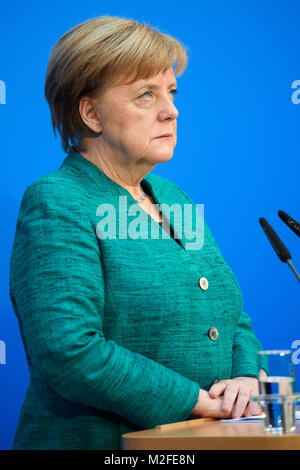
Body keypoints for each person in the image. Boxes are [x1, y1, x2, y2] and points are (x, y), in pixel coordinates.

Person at [9, 16, 262, 450]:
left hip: (202, 443)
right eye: (147, 94)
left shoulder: (172, 196)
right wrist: (199, 402)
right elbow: (70, 351)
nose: (172, 110)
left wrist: (244, 379)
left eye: (172, 92)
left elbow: (231, 316)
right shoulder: (57, 201)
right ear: (90, 113)